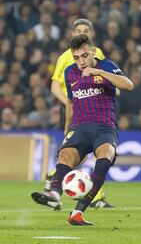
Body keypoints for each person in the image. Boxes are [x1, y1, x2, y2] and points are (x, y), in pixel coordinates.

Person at [31, 34, 134, 225]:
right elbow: (71, 102)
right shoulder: (70, 72)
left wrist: (98, 72)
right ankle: (54, 194)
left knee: (105, 158)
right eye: (76, 57)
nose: (81, 61)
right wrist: (66, 129)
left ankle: (77, 213)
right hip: (79, 126)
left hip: (104, 127)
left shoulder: (106, 66)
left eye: (84, 56)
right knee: (65, 155)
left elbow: (128, 84)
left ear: (93, 51)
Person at [48, 18, 113, 208]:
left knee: (98, 154)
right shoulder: (64, 58)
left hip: (97, 110)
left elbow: (108, 76)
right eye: (78, 30)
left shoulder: (98, 54)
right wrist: (71, 101)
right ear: (72, 34)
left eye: (85, 30)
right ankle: (53, 184)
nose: (81, 61)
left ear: (91, 36)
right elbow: (54, 86)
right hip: (74, 108)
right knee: (72, 154)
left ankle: (94, 197)